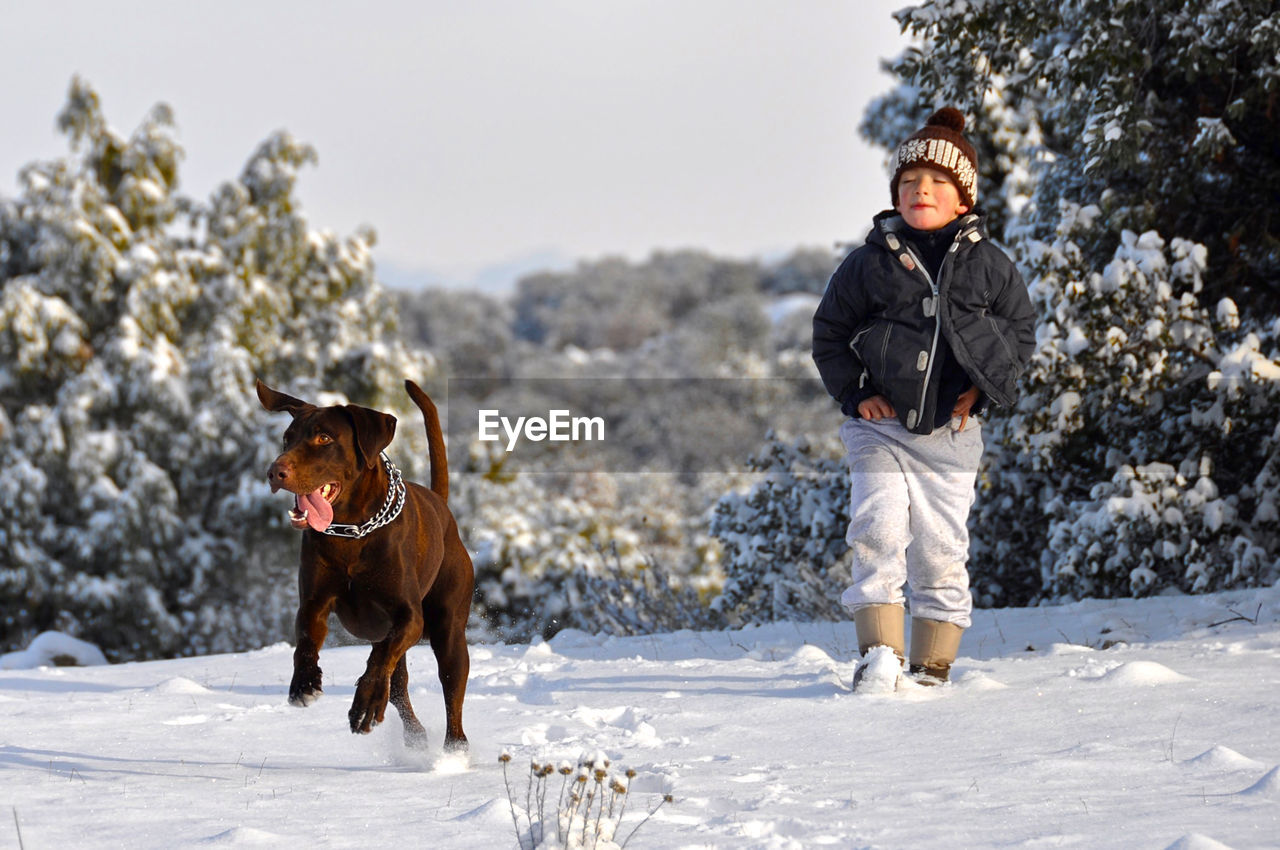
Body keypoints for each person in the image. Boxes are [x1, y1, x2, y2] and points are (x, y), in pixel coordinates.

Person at [812, 107, 1036, 691]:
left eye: (937, 183)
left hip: (951, 435)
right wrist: (857, 393)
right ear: (895, 194)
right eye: (909, 182)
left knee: (939, 550)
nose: (921, 191)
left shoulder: (990, 265)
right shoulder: (869, 263)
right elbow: (829, 333)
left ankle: (932, 669)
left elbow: (1019, 334)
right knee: (879, 529)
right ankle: (878, 658)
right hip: (878, 429)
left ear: (963, 199)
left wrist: (982, 394)